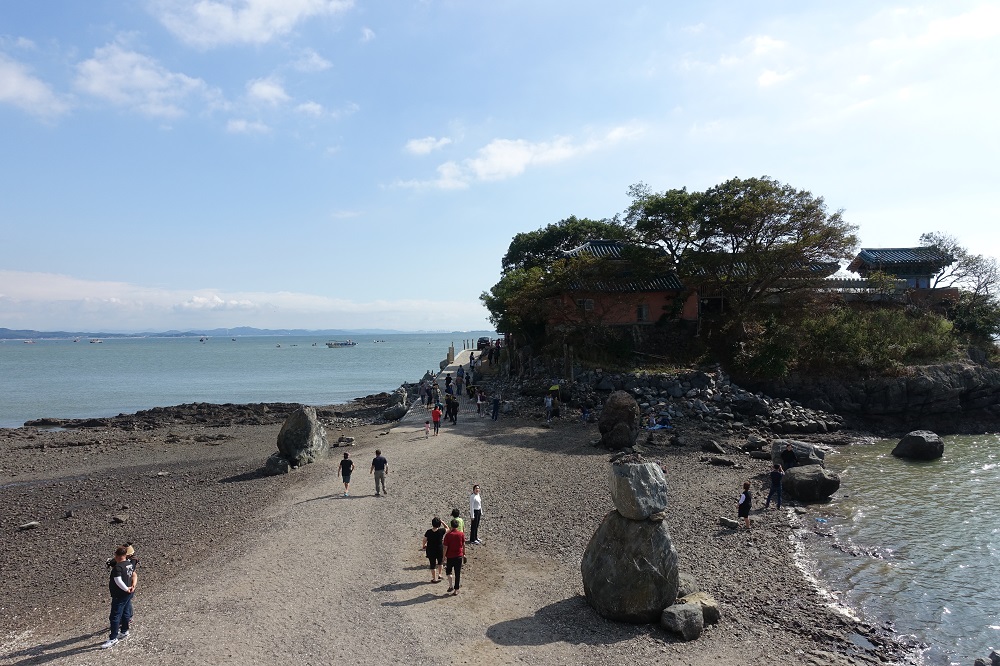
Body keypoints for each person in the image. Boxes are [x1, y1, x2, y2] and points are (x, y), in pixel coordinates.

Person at [101, 545, 137, 648]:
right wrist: (131, 587)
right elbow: (133, 575)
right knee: (126, 612)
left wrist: (126, 589)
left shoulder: (117, 568)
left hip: (119, 595)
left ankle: (113, 638)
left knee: (115, 616)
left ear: (116, 555)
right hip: (128, 593)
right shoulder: (129, 564)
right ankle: (124, 631)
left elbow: (118, 581)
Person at [442, 518, 466, 596]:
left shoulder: (448, 535)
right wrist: (464, 554)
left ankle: (450, 585)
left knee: (448, 571)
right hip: (458, 556)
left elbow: (445, 547)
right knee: (457, 573)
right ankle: (456, 589)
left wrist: (443, 556)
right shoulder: (461, 534)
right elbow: (463, 544)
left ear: (451, 526)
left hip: (450, 556)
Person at [421, 517, 447, 583]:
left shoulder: (428, 532)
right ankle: (440, 574)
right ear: (439, 524)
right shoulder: (441, 531)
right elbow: (448, 528)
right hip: (439, 548)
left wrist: (423, 546)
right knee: (440, 562)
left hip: (430, 549)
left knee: (432, 564)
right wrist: (442, 522)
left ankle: (434, 578)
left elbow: (424, 540)